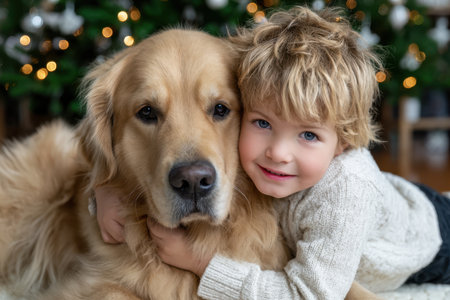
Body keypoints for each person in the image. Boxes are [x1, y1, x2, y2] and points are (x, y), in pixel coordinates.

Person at [93, 5, 450, 299]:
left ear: (344, 141)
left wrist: (202, 265)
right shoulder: (270, 165)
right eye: (263, 123)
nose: (278, 152)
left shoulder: (346, 195)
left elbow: (310, 293)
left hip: (429, 236)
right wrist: (103, 190)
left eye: (219, 110)